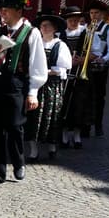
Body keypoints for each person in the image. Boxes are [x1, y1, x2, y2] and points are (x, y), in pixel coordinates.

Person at [0, 0, 48, 186]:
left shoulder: (31, 32)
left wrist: (33, 91)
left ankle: (19, 162)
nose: (2, 13)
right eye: (0, 9)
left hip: (16, 83)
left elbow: (38, 63)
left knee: (14, 126)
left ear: (18, 11)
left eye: (6, 9)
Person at [25, 13, 71, 161]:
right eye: (42, 26)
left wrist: (45, 71)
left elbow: (63, 69)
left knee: (51, 117)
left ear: (54, 28)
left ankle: (52, 147)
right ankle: (33, 150)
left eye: (47, 26)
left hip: (51, 86)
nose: (44, 28)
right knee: (32, 117)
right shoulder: (34, 43)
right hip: (34, 86)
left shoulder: (60, 45)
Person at [60, 6, 93, 149]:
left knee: (80, 103)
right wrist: (68, 61)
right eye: (70, 19)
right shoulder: (60, 35)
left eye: (76, 19)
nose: (73, 21)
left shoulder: (87, 33)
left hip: (81, 72)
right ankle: (64, 133)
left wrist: (83, 59)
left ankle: (77, 134)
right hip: (65, 73)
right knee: (65, 104)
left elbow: (95, 53)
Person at [86, 0, 109, 137]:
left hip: (99, 67)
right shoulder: (86, 28)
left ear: (102, 14)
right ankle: (85, 125)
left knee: (99, 97)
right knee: (85, 97)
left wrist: (104, 58)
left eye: (96, 13)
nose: (93, 15)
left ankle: (98, 125)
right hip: (86, 65)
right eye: (91, 13)